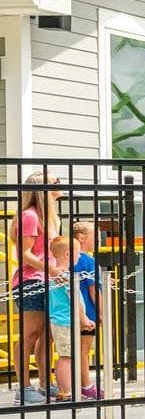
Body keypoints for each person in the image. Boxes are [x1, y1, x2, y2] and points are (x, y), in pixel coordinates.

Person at [7, 170, 57, 405]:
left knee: (47, 335)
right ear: (42, 189)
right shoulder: (30, 216)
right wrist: (52, 269)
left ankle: (45, 384)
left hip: (48, 280)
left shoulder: (48, 216)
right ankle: (24, 387)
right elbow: (24, 254)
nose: (61, 186)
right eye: (56, 182)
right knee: (30, 335)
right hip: (32, 281)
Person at [71, 220, 101, 400]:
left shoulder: (69, 259)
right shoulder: (88, 260)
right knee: (84, 350)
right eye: (94, 236)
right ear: (81, 238)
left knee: (71, 350)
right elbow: (93, 289)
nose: (98, 239)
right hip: (88, 311)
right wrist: (102, 312)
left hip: (69, 311)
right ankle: (86, 385)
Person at [46, 237, 76, 402]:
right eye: (77, 253)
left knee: (65, 356)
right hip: (64, 320)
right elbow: (73, 299)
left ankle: (64, 389)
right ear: (68, 254)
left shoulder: (55, 275)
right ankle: (66, 391)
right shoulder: (64, 276)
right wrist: (84, 318)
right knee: (66, 357)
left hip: (60, 320)